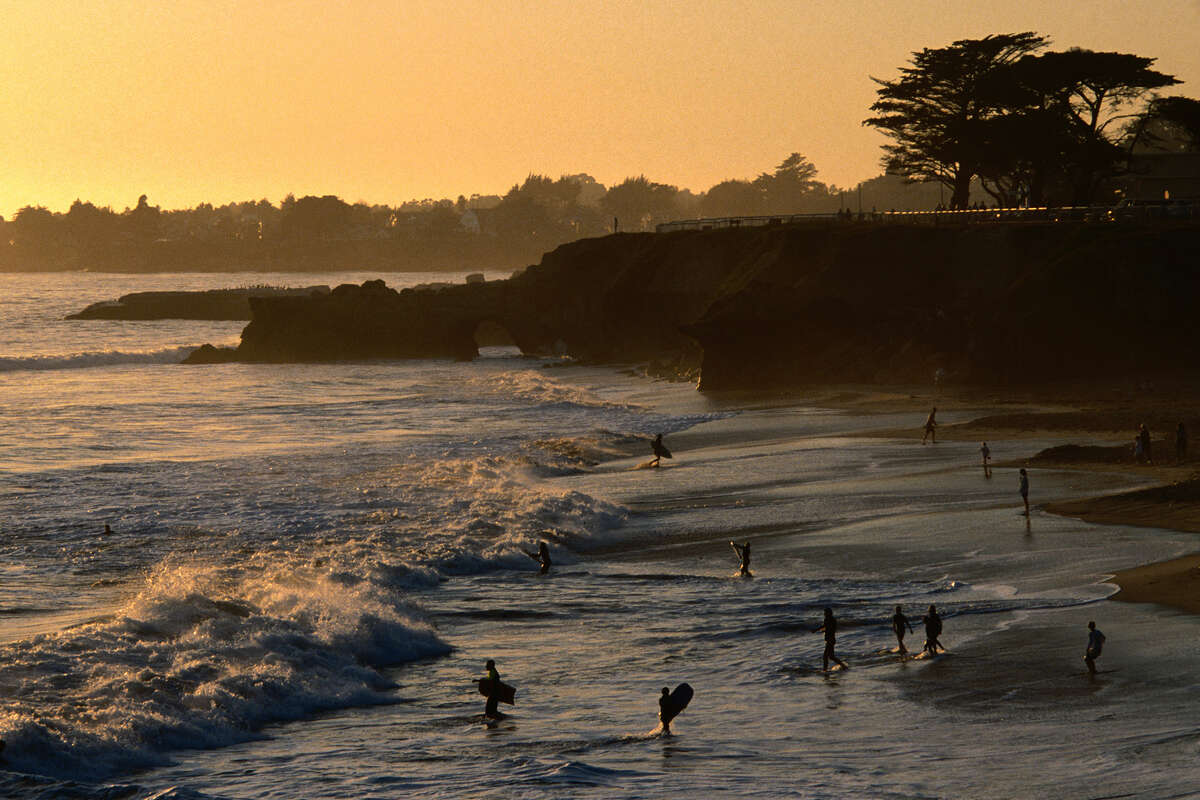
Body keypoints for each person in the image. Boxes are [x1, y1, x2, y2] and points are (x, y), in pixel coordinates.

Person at [815, 606, 848, 671]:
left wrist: (818, 630)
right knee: (831, 656)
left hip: (830, 640)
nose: (824, 614)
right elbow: (825, 626)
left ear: (829, 613)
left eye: (825, 613)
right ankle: (843, 666)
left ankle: (825, 670)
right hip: (830, 640)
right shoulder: (828, 619)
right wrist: (818, 630)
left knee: (825, 656)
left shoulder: (830, 620)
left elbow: (828, 628)